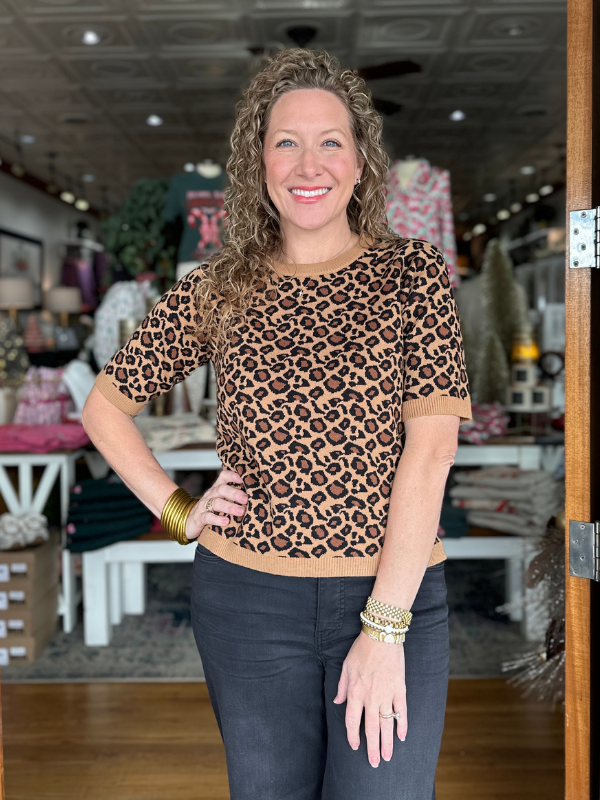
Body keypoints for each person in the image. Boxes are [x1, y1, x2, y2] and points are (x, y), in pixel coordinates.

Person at [83, 48, 472, 800]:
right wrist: (177, 509)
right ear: (257, 163)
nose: (308, 162)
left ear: (361, 163)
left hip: (392, 593)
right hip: (248, 601)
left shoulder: (411, 274)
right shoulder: (219, 285)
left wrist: (384, 628)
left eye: (331, 141)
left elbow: (431, 455)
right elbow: (105, 407)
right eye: (285, 141)